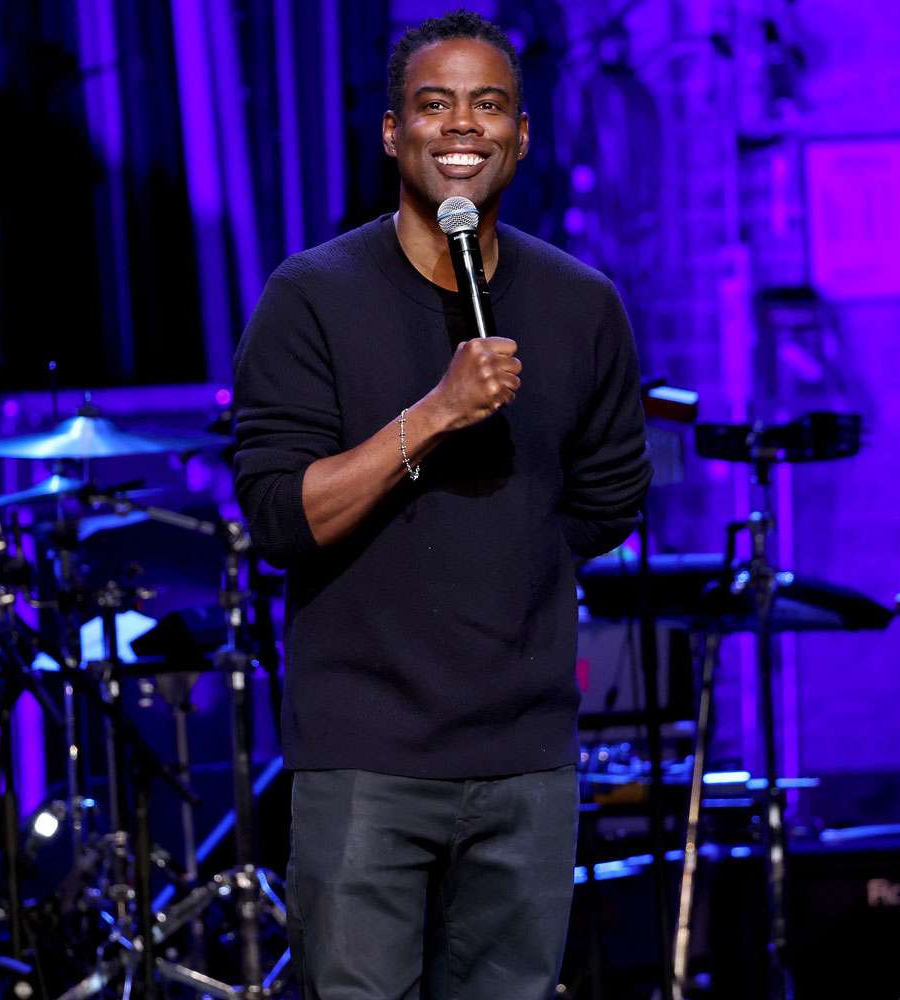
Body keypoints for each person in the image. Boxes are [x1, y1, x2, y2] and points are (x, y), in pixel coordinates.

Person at [231, 10, 651, 998]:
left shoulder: (580, 303)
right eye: (434, 104)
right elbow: (281, 517)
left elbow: (609, 498)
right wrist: (430, 420)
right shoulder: (311, 297)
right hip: (366, 760)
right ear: (392, 133)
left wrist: (507, 560)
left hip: (527, 761)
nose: (462, 127)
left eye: (488, 104)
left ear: (521, 134)